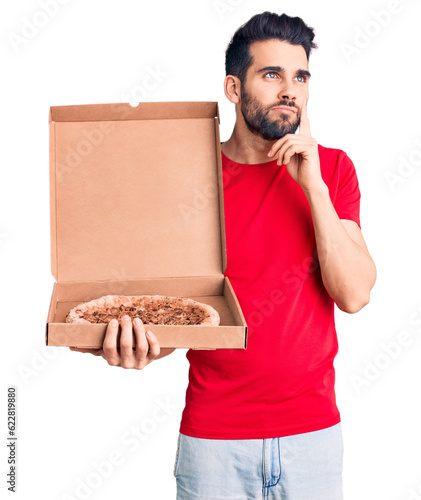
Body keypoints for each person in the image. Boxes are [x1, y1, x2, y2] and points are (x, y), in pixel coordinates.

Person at [70, 11, 377, 500]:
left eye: (300, 76)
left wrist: (312, 186)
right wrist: (139, 344)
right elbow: (183, 311)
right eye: (271, 74)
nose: (289, 90)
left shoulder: (333, 170)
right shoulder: (188, 179)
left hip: (312, 438)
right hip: (213, 443)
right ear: (234, 89)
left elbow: (355, 293)